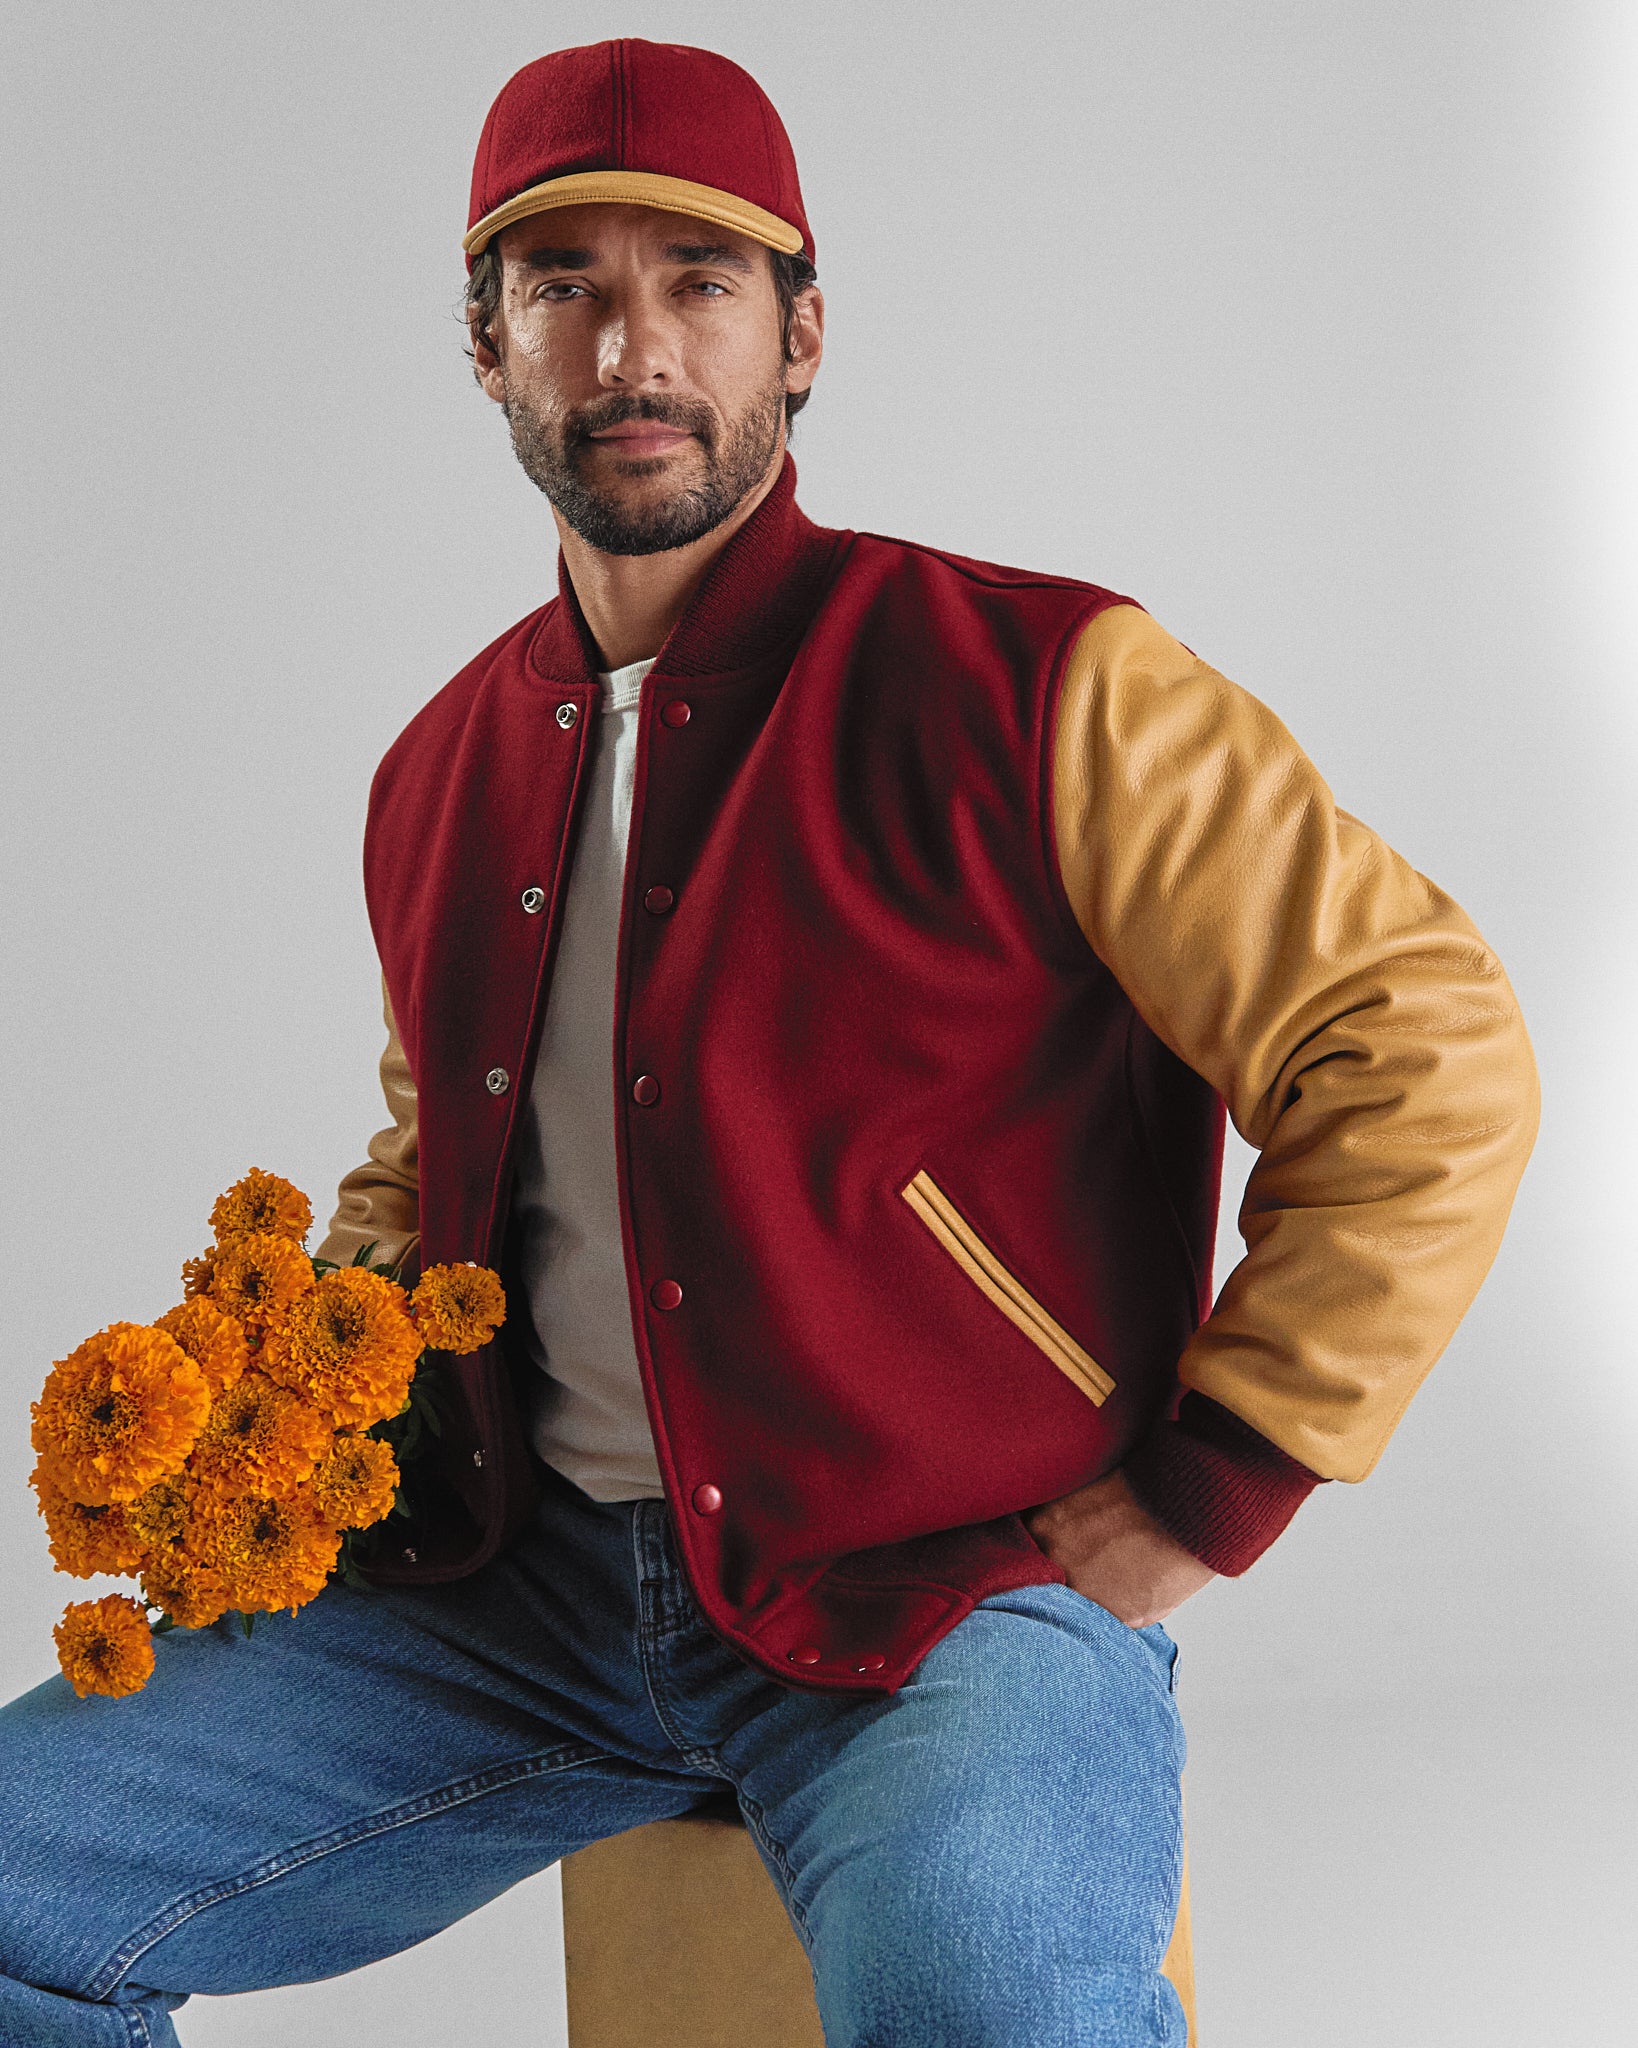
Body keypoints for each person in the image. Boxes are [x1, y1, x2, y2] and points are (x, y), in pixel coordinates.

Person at [0, 38, 1538, 2048]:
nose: (631, 345)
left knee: (986, 2000)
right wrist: (290, 1410)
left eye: (700, 282)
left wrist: (1212, 1481)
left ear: (801, 336)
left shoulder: (1043, 681)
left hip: (947, 1594)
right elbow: (438, 1164)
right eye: (563, 286)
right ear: (489, 349)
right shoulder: (437, 770)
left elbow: (1418, 1040)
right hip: (510, 1600)